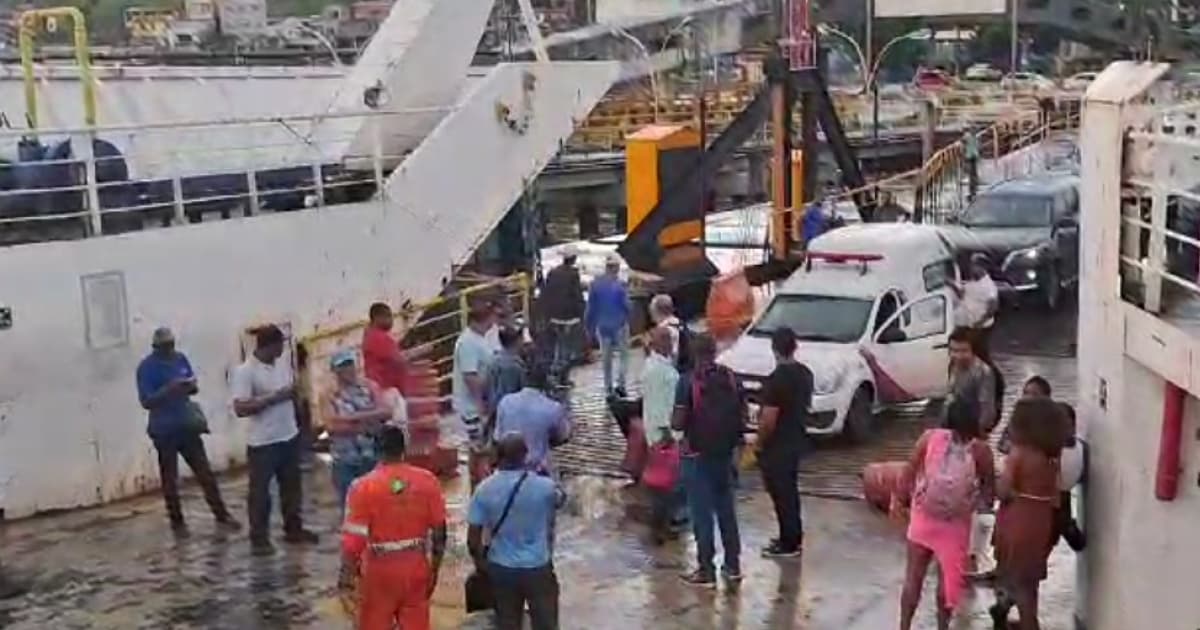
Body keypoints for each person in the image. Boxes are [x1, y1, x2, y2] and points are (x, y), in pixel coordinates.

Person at [899, 397, 995, 630]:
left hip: (923, 518)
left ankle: (903, 626)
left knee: (913, 580)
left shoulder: (929, 438)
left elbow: (908, 473)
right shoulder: (981, 450)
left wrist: (902, 500)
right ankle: (942, 627)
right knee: (947, 585)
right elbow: (988, 490)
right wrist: (978, 504)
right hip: (955, 525)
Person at [339, 424, 447, 630]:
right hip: (416, 566)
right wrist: (434, 570)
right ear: (404, 448)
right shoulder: (428, 481)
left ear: (376, 450)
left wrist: (345, 579)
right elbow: (440, 531)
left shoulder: (362, 487)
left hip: (378, 571)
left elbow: (354, 542)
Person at [136, 327, 239, 536]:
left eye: (171, 345)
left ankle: (222, 514)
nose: (169, 350)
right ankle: (177, 522)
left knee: (205, 473)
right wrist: (169, 389)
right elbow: (146, 401)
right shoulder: (146, 368)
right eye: (165, 347)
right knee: (170, 479)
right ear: (156, 347)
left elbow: (193, 385)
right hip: (164, 429)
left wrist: (189, 386)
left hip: (186, 425)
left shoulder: (180, 359)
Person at [231, 324, 319, 554]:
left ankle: (293, 529)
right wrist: (274, 398)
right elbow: (240, 407)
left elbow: (292, 393)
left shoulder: (282, 366)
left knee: (292, 488)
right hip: (263, 442)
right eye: (279, 345)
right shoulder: (245, 371)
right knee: (260, 493)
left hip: (288, 434)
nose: (282, 350)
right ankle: (259, 538)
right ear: (269, 346)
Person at [672, 333, 745, 587]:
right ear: (714, 352)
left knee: (701, 514)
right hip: (725, 455)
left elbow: (678, 422)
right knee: (727, 511)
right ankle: (733, 565)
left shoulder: (687, 382)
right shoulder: (732, 378)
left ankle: (706, 568)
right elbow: (742, 415)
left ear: (694, 354)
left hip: (697, 456)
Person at [468, 434, 562, 630]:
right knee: (546, 623)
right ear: (525, 456)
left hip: (501, 568)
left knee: (507, 623)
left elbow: (473, 538)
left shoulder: (484, 489)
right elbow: (561, 500)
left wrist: (482, 565)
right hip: (538, 566)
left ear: (498, 456)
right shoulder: (544, 486)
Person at [990, 398, 1065, 630]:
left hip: (1017, 522)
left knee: (1015, 578)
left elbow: (1003, 491)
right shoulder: (1052, 459)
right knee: (1030, 583)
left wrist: (993, 481)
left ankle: (1023, 621)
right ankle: (1024, 618)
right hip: (1041, 523)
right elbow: (1055, 499)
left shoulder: (1018, 454)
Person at [756, 328, 814, 558]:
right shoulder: (805, 374)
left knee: (780, 494)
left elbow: (769, 419)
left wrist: (759, 443)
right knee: (790, 491)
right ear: (794, 347)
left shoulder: (775, 380)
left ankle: (789, 543)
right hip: (797, 438)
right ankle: (791, 535)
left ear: (774, 348)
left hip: (777, 444)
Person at [322, 349, 392, 513]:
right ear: (335, 371)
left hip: (373, 455)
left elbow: (387, 411)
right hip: (345, 459)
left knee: (379, 502)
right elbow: (331, 426)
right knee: (349, 506)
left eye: (349, 364)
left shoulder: (369, 386)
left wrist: (351, 418)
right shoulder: (329, 395)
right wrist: (367, 422)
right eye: (342, 366)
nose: (347, 370)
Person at [493, 363, 571, 477]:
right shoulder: (552, 407)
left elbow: (497, 437)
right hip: (538, 471)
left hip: (506, 470)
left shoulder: (505, 402)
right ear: (546, 382)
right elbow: (564, 436)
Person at [642, 326, 683, 542]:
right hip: (664, 435)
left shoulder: (653, 366)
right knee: (664, 484)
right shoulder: (661, 371)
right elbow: (660, 404)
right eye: (667, 341)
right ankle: (659, 526)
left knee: (664, 483)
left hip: (658, 433)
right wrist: (667, 432)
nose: (671, 345)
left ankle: (662, 523)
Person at [453, 304, 499, 489]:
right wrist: (482, 405)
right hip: (472, 407)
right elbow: (470, 377)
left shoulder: (480, 339)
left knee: (477, 449)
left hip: (478, 404)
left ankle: (476, 485)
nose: (492, 324)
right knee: (481, 451)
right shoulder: (468, 343)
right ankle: (480, 487)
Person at [361, 302, 432, 402]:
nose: (391, 321)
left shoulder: (372, 335)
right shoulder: (378, 337)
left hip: (386, 388)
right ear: (377, 318)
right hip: (386, 390)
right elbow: (398, 359)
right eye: (388, 317)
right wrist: (420, 351)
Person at [586, 255, 631, 396]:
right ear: (616, 268)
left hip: (603, 327)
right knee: (624, 356)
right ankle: (621, 385)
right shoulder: (620, 285)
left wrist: (589, 327)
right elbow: (627, 306)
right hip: (620, 325)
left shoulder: (595, 284)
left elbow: (590, 308)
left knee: (606, 359)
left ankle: (608, 388)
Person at [540, 247, 585, 369]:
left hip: (553, 314)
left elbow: (545, 292)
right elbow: (577, 295)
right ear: (574, 259)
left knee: (557, 343)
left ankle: (555, 366)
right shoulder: (573, 274)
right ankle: (562, 371)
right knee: (566, 344)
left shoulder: (552, 272)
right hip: (568, 316)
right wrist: (582, 313)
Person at [951, 254, 999, 359]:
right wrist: (952, 285)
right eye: (972, 265)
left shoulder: (988, 285)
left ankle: (994, 374)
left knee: (980, 353)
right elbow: (963, 295)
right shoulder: (972, 281)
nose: (971, 268)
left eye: (974, 266)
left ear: (983, 268)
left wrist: (979, 323)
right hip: (970, 324)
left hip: (980, 327)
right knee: (972, 352)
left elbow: (993, 307)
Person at [963, 127, 981, 201]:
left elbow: (963, 142)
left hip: (970, 156)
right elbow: (978, 146)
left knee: (971, 173)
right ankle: (974, 189)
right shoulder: (975, 137)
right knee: (973, 173)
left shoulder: (968, 137)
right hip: (973, 156)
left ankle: (973, 189)